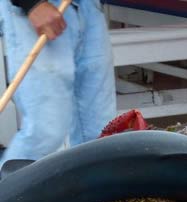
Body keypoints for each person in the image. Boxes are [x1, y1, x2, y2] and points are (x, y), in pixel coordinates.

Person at [0, 0, 116, 165]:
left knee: (101, 132)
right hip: (38, 9)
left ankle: (91, 189)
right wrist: (31, 3)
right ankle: (8, 189)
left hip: (89, 7)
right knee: (44, 133)